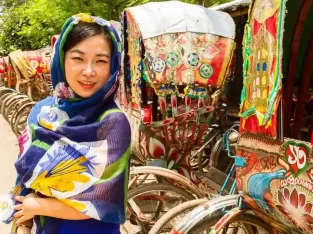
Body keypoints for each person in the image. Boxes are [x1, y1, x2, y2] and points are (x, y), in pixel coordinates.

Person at [5, 13, 131, 234]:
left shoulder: (112, 123)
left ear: (113, 67)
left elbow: (104, 202)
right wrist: (23, 224)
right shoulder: (41, 113)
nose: (89, 71)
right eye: (78, 58)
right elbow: (25, 176)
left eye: (101, 61)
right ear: (61, 59)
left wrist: (39, 205)